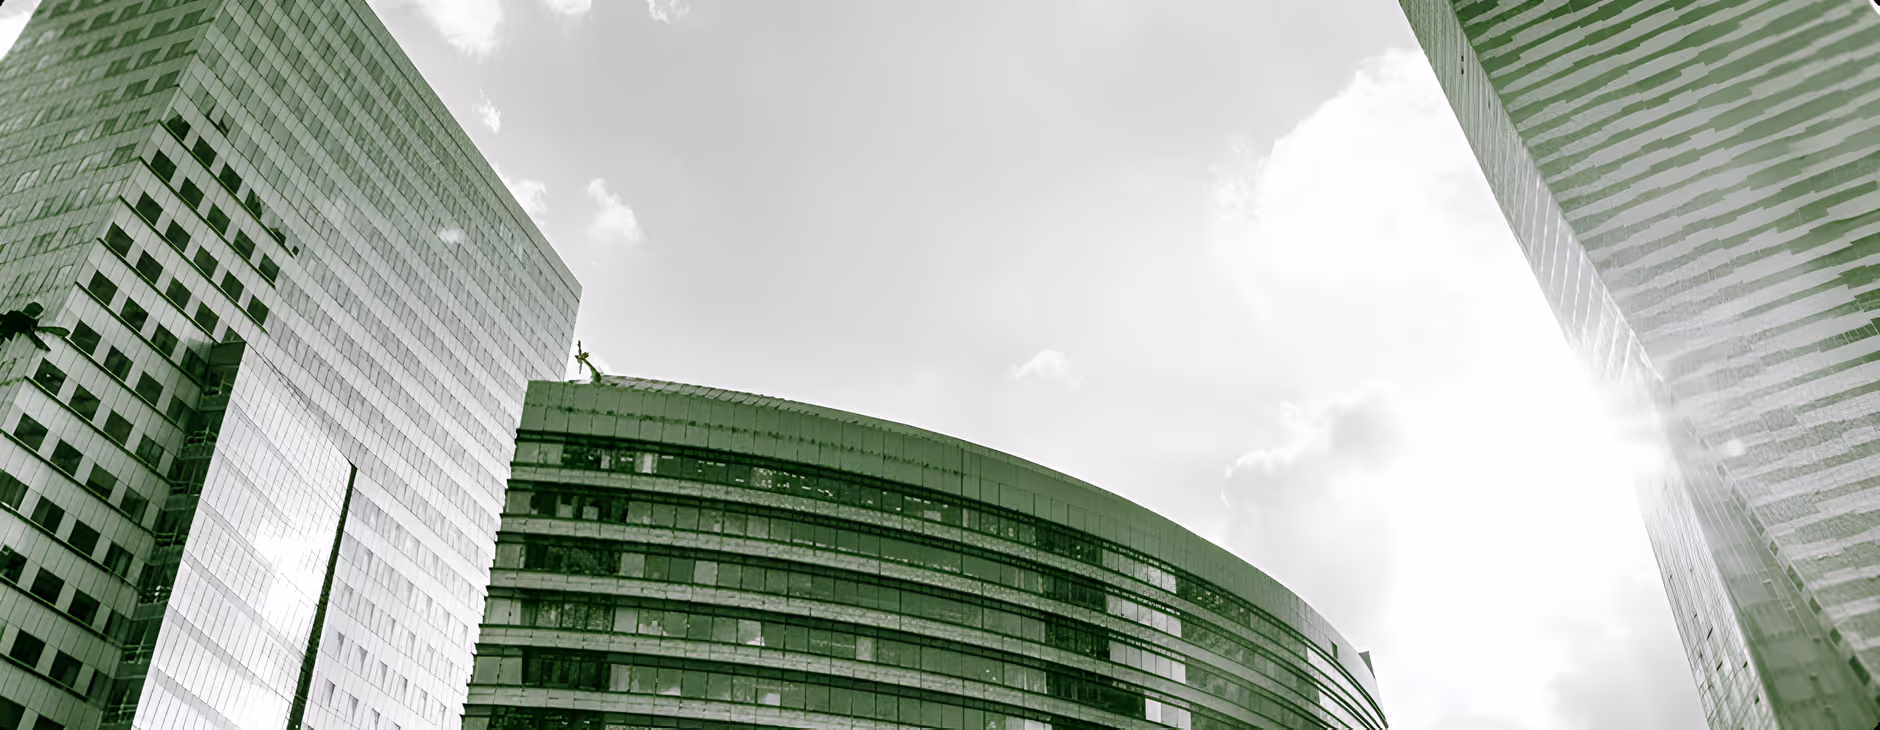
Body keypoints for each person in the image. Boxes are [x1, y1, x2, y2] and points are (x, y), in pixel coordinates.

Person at [0, 303, 67, 352]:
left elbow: (23, 317)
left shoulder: (11, 315)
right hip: (24, 326)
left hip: (24, 325)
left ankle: (45, 346)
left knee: (35, 334)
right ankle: (45, 346)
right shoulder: (11, 316)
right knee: (34, 334)